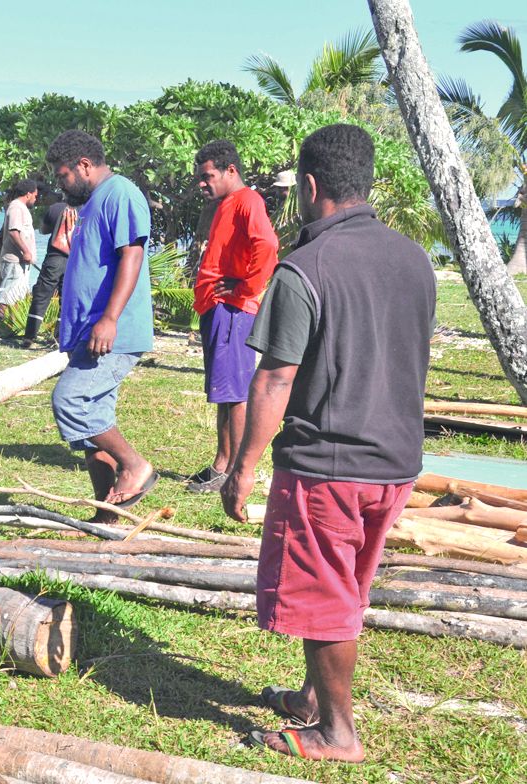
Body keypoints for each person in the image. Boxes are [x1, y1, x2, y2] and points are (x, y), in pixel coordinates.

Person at [220, 124, 435, 762]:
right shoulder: (415, 259)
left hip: (328, 465)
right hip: (396, 462)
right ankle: (314, 699)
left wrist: (243, 467)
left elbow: (274, 379)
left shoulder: (303, 269)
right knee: (346, 588)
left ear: (310, 186)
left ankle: (337, 733)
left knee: (323, 597)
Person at [45, 130, 157, 519]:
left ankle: (135, 466)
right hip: (89, 333)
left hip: (113, 332)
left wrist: (109, 319)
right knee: (94, 427)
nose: (60, 184)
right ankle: (106, 516)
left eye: (63, 175)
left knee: (70, 401)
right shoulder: (93, 203)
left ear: (84, 165)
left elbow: (132, 255)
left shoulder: (120, 193)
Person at [186, 140, 279, 493]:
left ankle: (233, 472)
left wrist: (246, 288)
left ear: (231, 170)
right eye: (200, 177)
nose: (202, 183)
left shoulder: (247, 200)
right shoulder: (226, 203)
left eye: (208, 176)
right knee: (223, 392)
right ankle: (220, 464)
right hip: (218, 307)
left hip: (233, 310)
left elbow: (267, 246)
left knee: (235, 393)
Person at [21, 195, 77, 348]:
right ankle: (60, 337)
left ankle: (29, 337)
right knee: (67, 298)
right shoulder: (85, 209)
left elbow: (44, 230)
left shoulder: (55, 208)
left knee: (42, 294)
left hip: (55, 257)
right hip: (74, 259)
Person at [0, 179, 38, 316]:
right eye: (35, 196)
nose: (36, 199)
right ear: (28, 194)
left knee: (16, 297)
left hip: (21, 261)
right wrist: (26, 251)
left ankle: (11, 324)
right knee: (7, 296)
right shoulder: (16, 207)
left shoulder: (21, 208)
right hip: (15, 260)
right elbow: (13, 232)